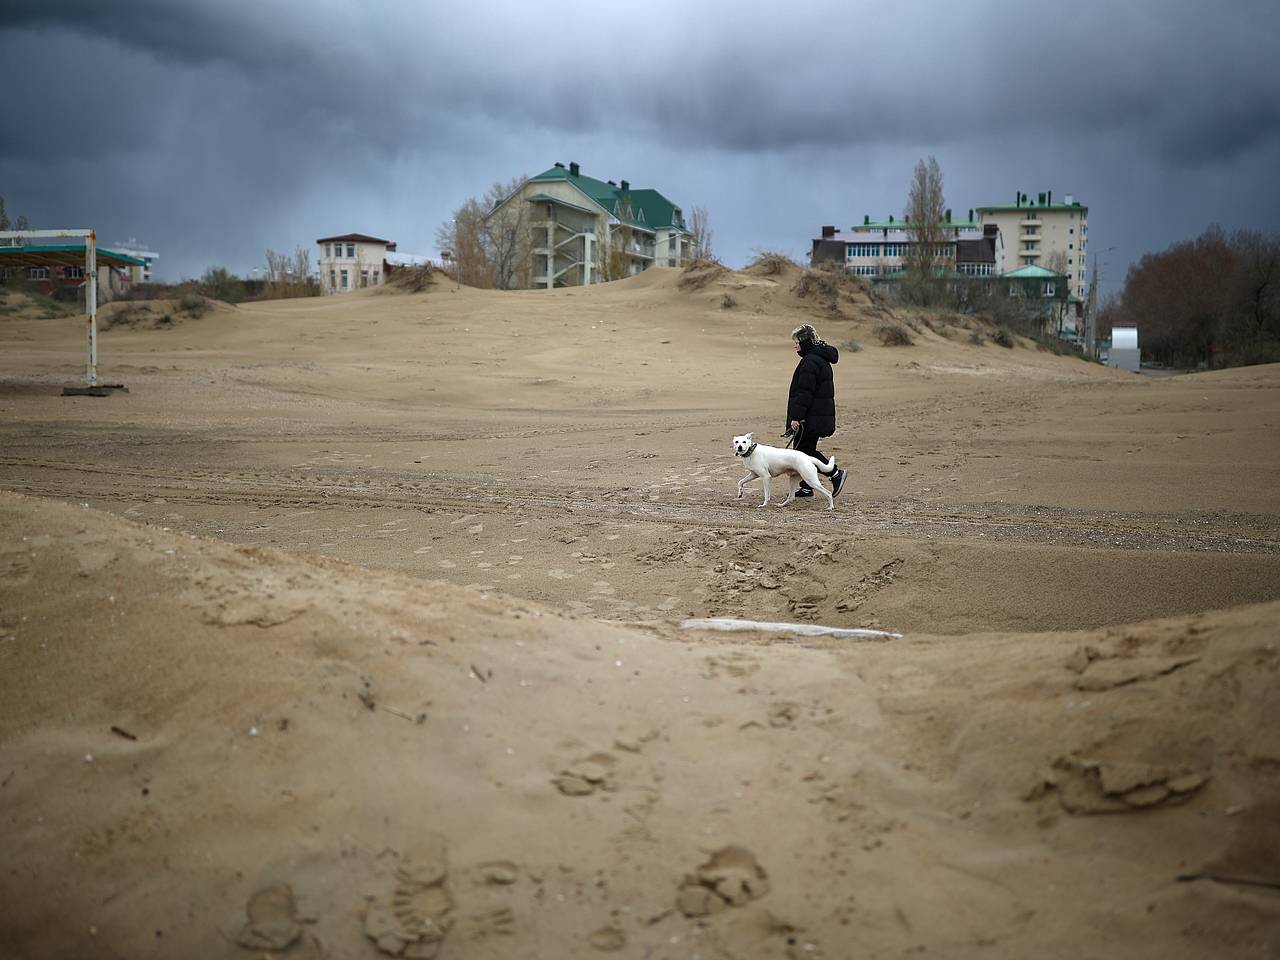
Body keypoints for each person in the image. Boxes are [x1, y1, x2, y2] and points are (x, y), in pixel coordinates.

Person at [784, 323, 847, 498]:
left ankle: (835, 474)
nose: (795, 345)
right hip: (816, 415)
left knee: (805, 452)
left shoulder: (810, 361)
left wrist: (797, 417)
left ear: (805, 342)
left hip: (810, 417)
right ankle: (806, 487)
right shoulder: (819, 357)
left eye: (797, 342)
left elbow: (805, 393)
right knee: (804, 449)